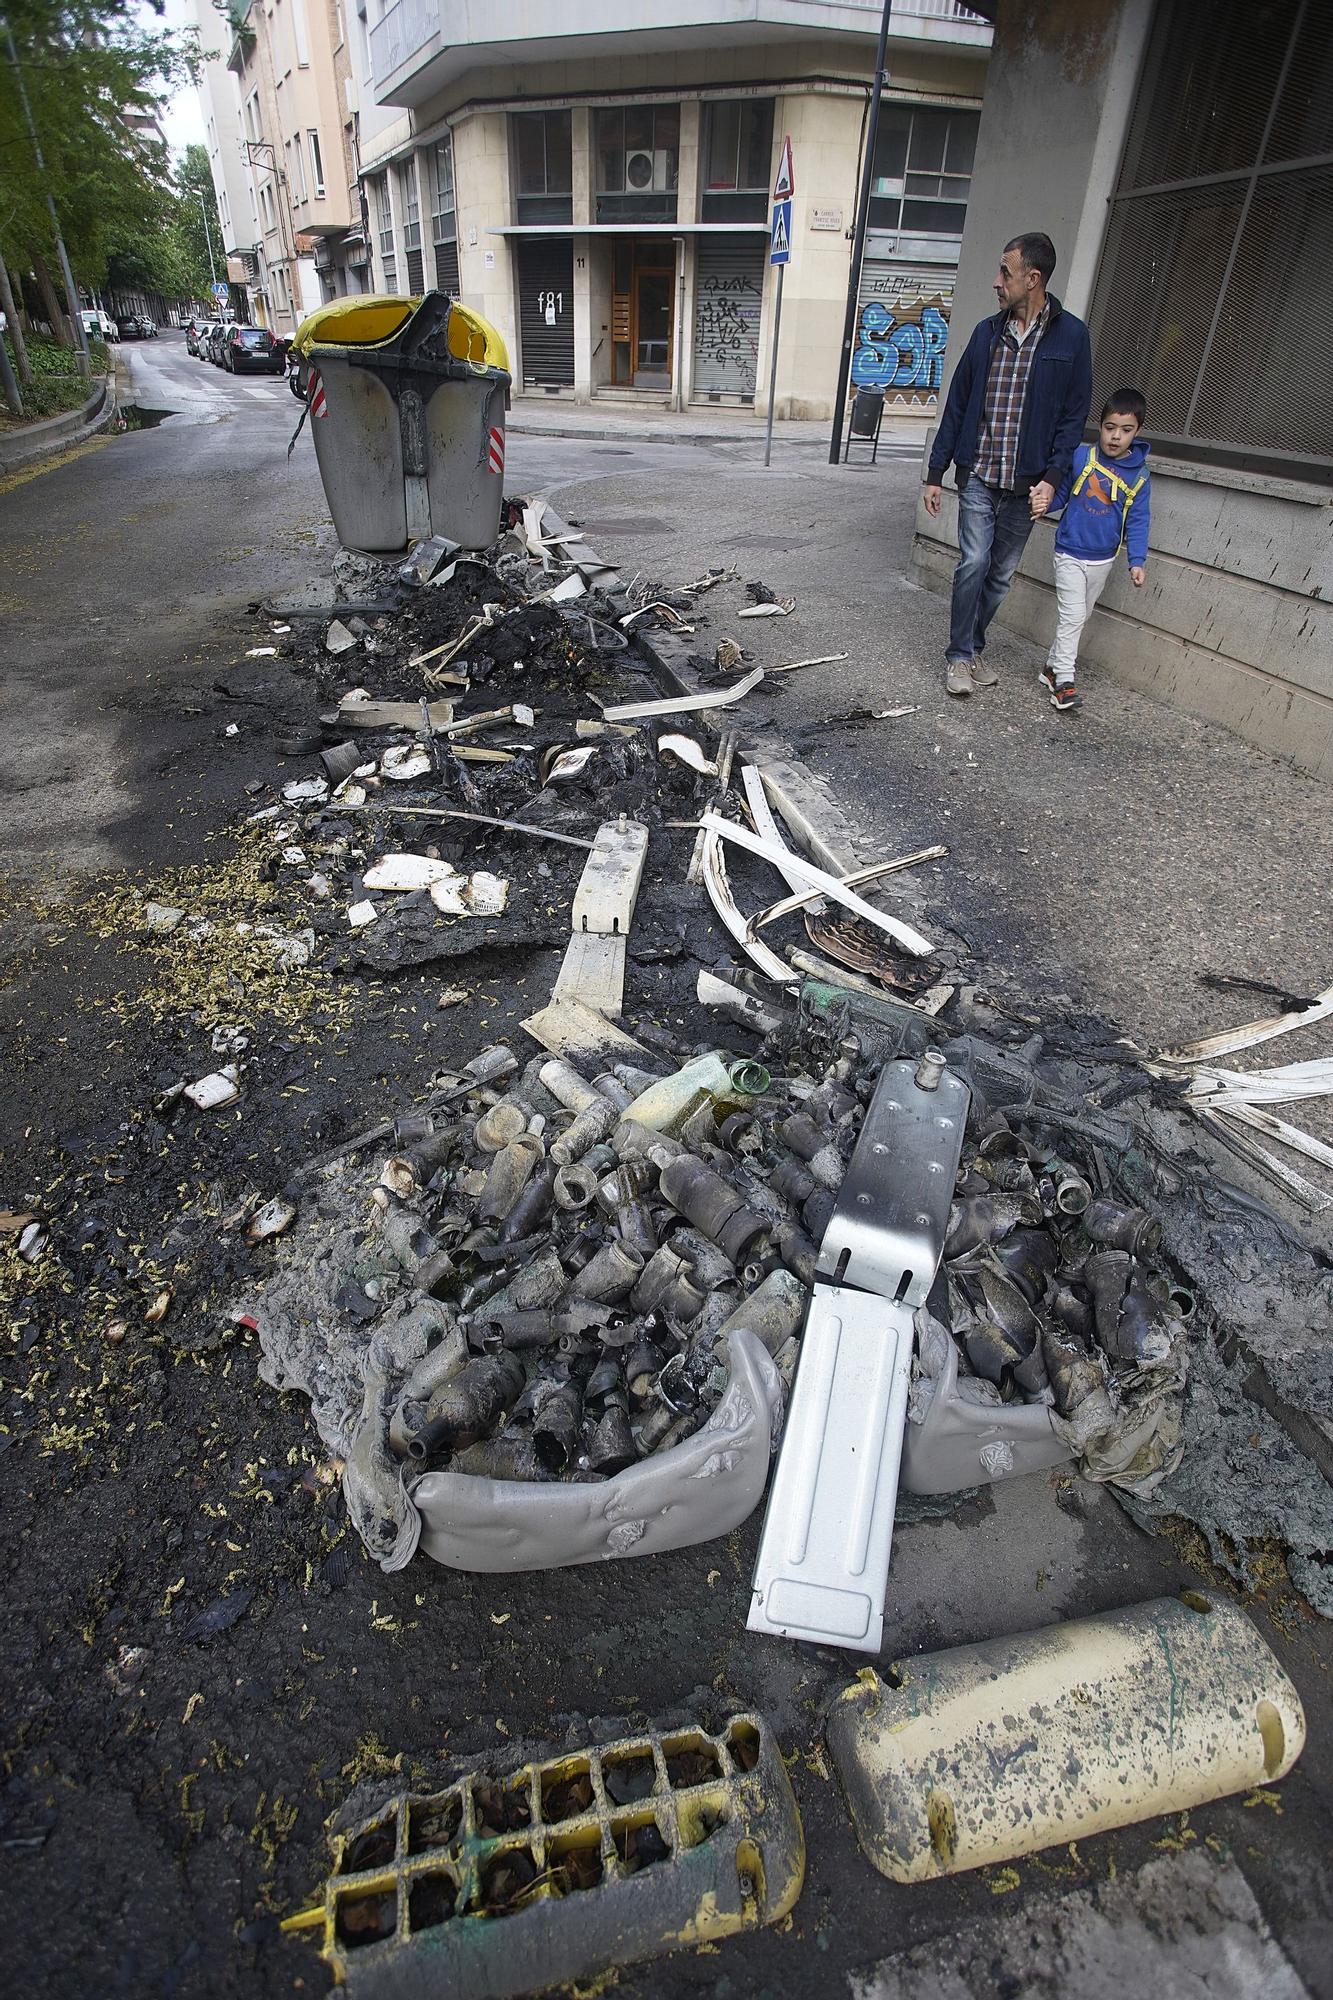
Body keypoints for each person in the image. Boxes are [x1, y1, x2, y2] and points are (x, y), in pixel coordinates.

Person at [923, 233, 1092, 697]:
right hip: (979, 471)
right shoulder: (985, 334)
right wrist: (936, 473)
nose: (996, 281)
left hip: (1028, 483)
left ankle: (973, 647)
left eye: (1005, 272)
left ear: (1032, 279)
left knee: (1000, 576)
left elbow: (1072, 417)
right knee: (974, 562)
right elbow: (957, 404)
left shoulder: (1073, 338)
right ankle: (958, 657)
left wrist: (1054, 479)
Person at [1036, 388, 1151, 713]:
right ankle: (1064, 683)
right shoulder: (1082, 458)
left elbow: (1139, 521)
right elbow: (1063, 495)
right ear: (1100, 425)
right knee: (1072, 615)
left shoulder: (1140, 477)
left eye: (1126, 430)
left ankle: (1050, 668)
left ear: (1137, 431)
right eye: (1110, 427)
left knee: (1080, 616)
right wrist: (1043, 505)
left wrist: (1137, 561)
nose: (1116, 437)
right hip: (1069, 552)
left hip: (1104, 559)